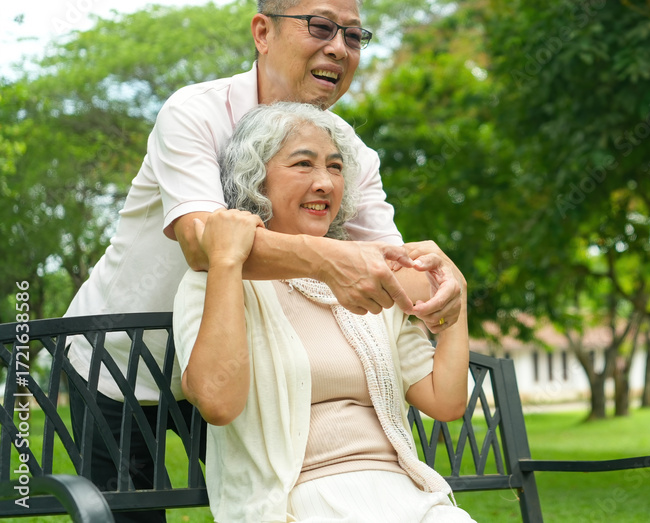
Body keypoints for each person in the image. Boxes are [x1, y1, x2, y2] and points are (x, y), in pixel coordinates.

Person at [63, 0, 465, 521]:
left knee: (266, 497)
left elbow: (396, 269)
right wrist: (330, 259)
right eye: (320, 27)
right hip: (123, 363)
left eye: (354, 36)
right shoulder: (195, 113)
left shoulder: (351, 152)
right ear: (262, 32)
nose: (339, 48)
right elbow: (203, 245)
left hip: (244, 366)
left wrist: (443, 283)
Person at [173, 101, 474, 522]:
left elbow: (446, 402)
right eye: (303, 164)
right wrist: (226, 260)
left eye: (335, 167)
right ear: (255, 177)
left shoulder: (367, 281)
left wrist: (455, 295)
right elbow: (217, 404)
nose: (325, 183)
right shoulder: (219, 282)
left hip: (406, 497)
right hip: (297, 503)